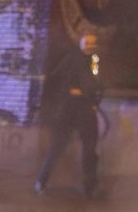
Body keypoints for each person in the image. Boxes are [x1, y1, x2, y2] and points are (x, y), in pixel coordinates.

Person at [34, 33, 105, 198]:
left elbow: (97, 83)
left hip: (86, 109)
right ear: (81, 43)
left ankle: (90, 187)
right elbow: (56, 81)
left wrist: (94, 103)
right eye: (87, 43)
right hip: (68, 109)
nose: (90, 47)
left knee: (90, 150)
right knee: (57, 146)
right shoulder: (71, 59)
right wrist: (69, 92)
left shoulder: (95, 60)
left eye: (92, 44)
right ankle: (41, 181)